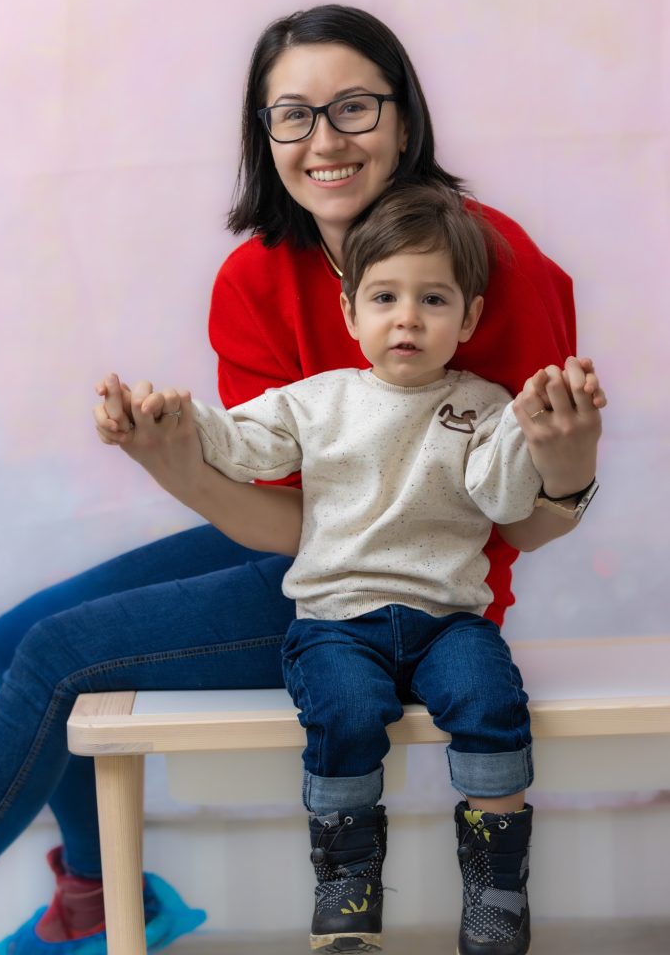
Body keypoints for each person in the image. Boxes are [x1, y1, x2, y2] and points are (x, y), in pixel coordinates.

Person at [0, 4, 604, 955]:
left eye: (354, 107)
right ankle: (98, 896)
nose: (325, 141)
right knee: (12, 639)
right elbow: (282, 515)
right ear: (264, 133)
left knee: (57, 655)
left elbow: (520, 519)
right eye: (293, 115)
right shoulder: (253, 279)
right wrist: (175, 459)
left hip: (413, 584)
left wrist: (569, 467)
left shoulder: (496, 263)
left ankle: (100, 902)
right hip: (310, 544)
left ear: (405, 118)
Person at [136, 183, 601, 955]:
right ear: (351, 313)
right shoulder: (317, 401)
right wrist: (178, 422)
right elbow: (243, 443)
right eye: (385, 297)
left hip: (449, 620)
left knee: (490, 699)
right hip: (338, 620)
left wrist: (535, 429)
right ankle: (347, 885)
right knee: (345, 712)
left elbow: (500, 495)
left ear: (469, 319)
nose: (408, 318)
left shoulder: (485, 407)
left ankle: (496, 887)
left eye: (433, 299)